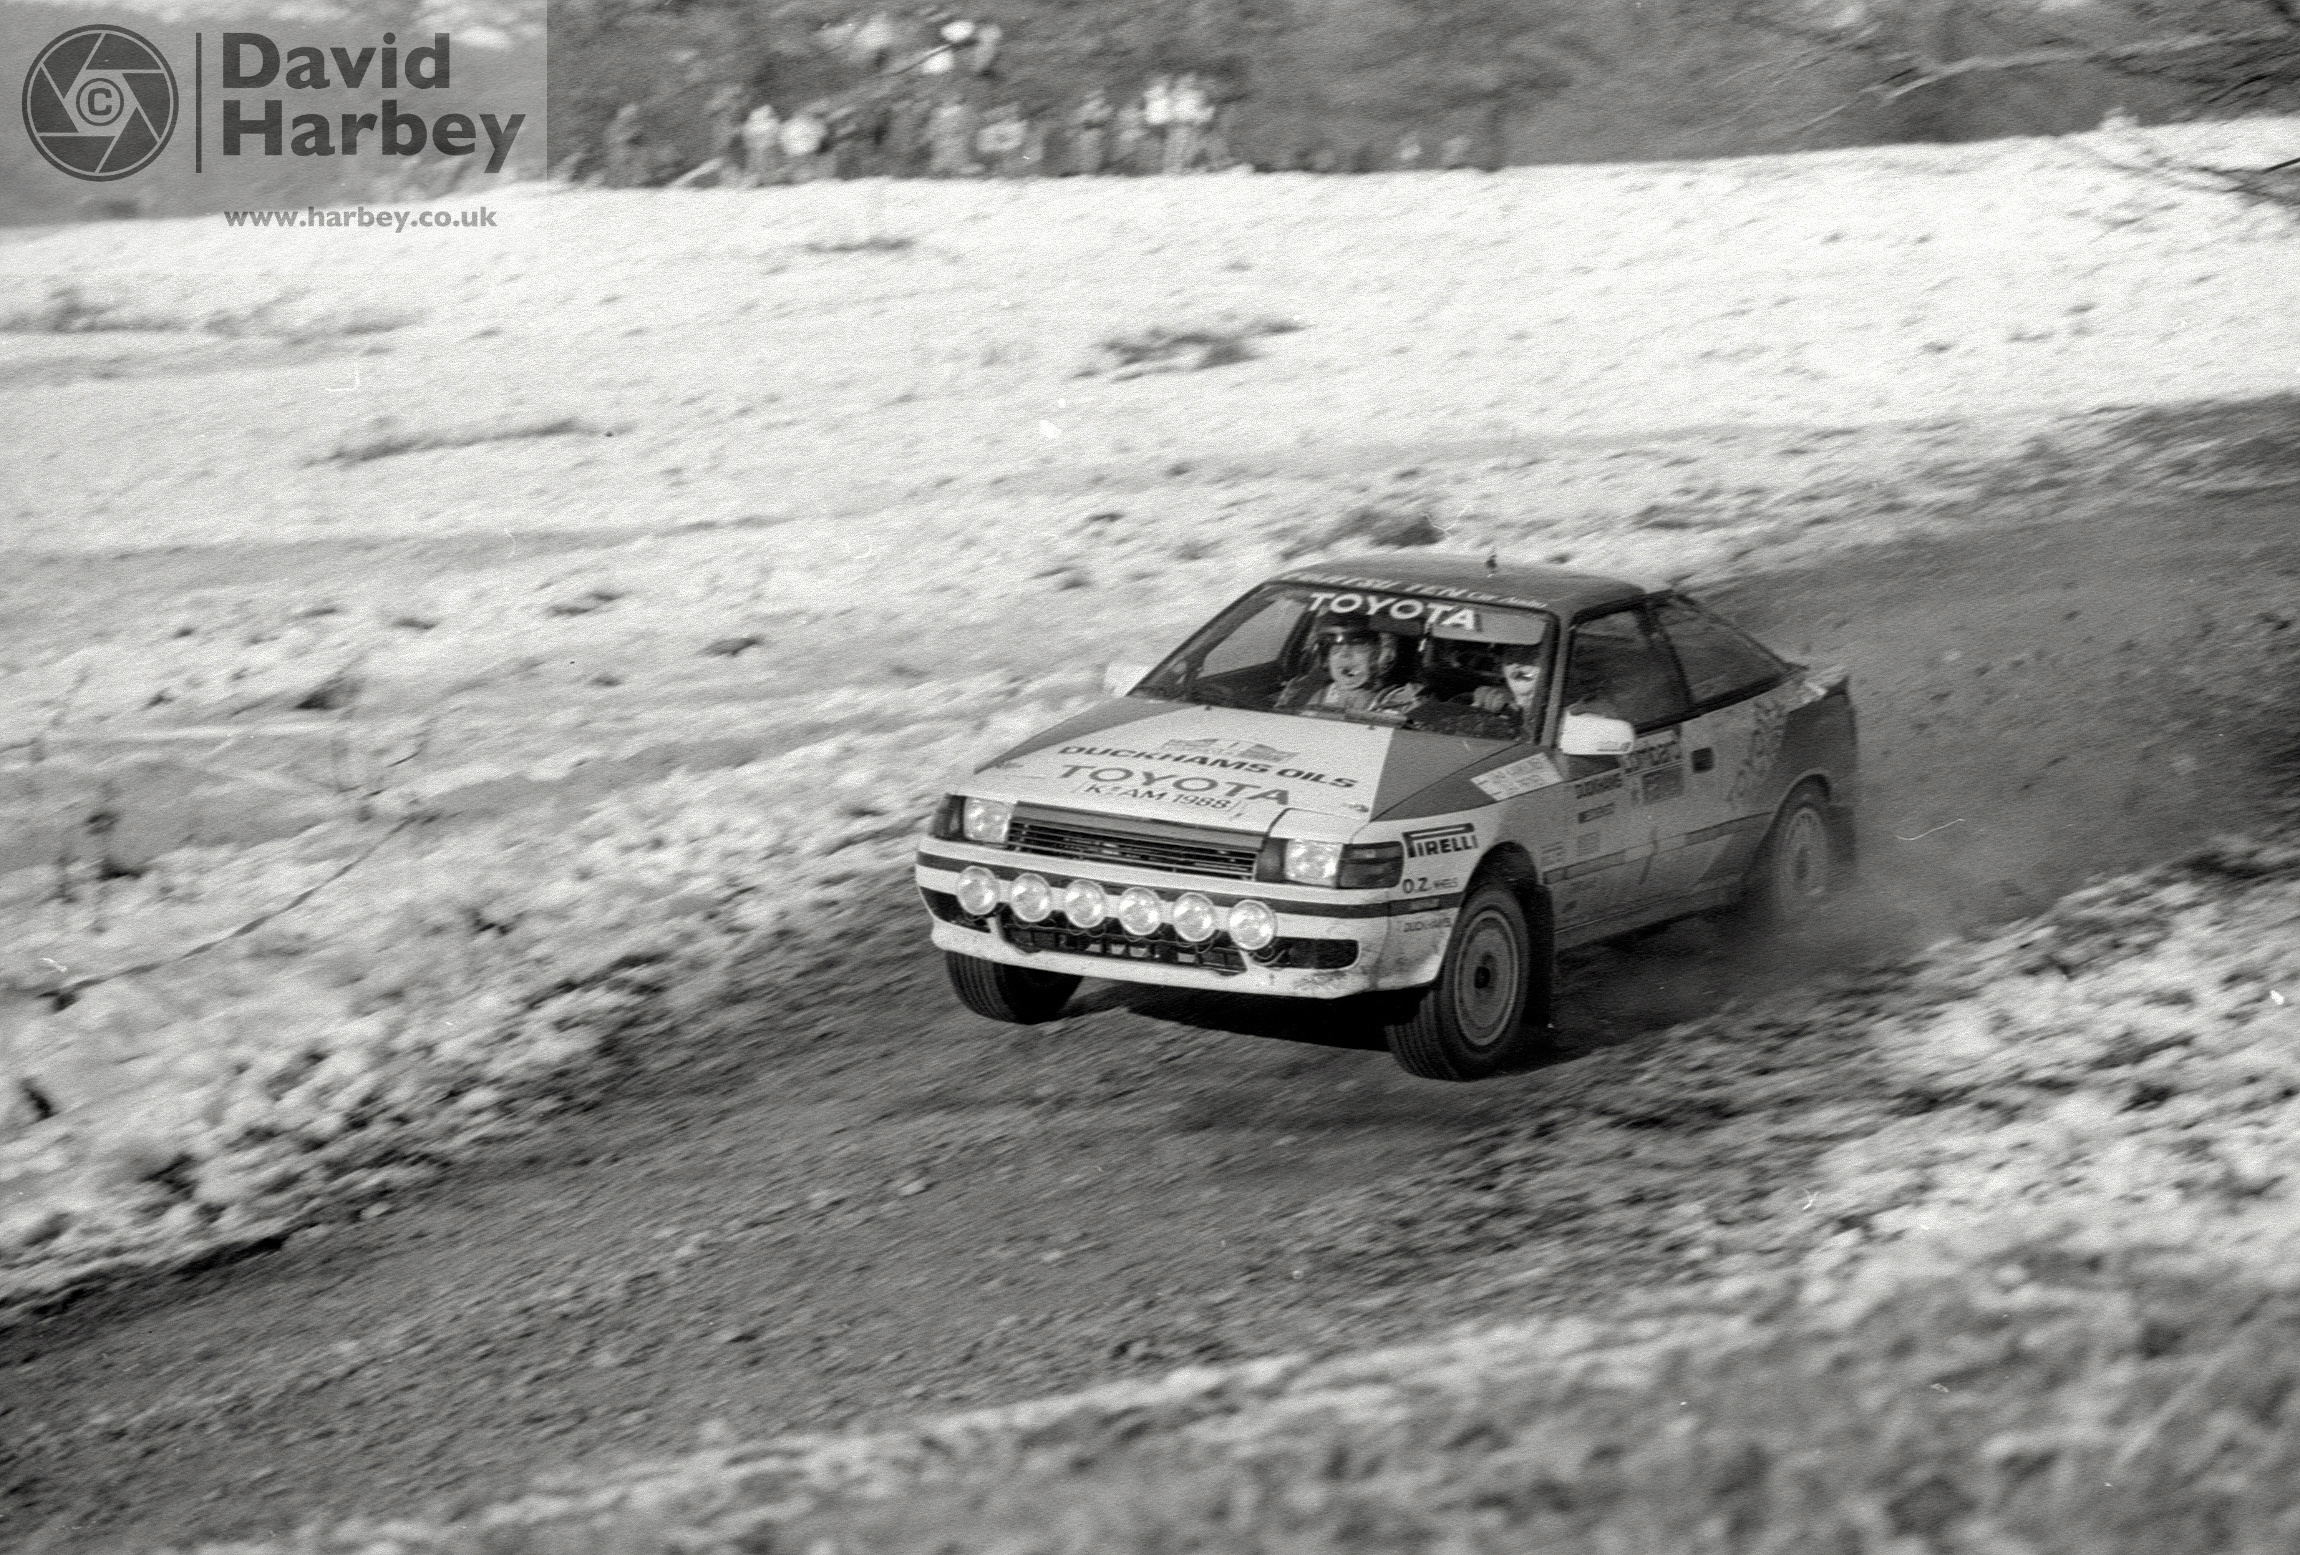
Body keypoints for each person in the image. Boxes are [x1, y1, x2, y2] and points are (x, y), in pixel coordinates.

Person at [1278, 622, 1425, 716]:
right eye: (1336, 647)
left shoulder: (1408, 700)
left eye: (1359, 646)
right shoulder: (1301, 690)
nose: (1344, 654)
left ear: (1384, 656)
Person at [1069, 89, 1111, 176]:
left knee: (1095, 153)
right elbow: (1080, 121)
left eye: (1100, 97)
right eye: (1096, 98)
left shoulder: (1105, 109)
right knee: (1085, 152)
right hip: (1086, 133)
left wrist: (1092, 122)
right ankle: (1084, 171)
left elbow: (1103, 120)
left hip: (1096, 132)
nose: (1099, 100)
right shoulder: (1085, 108)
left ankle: (1092, 171)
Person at [740, 101, 783, 186]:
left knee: (767, 162)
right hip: (761, 147)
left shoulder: (771, 121)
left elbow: (776, 132)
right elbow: (748, 134)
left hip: (767, 146)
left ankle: (768, 180)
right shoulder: (753, 121)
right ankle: (762, 180)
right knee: (761, 163)